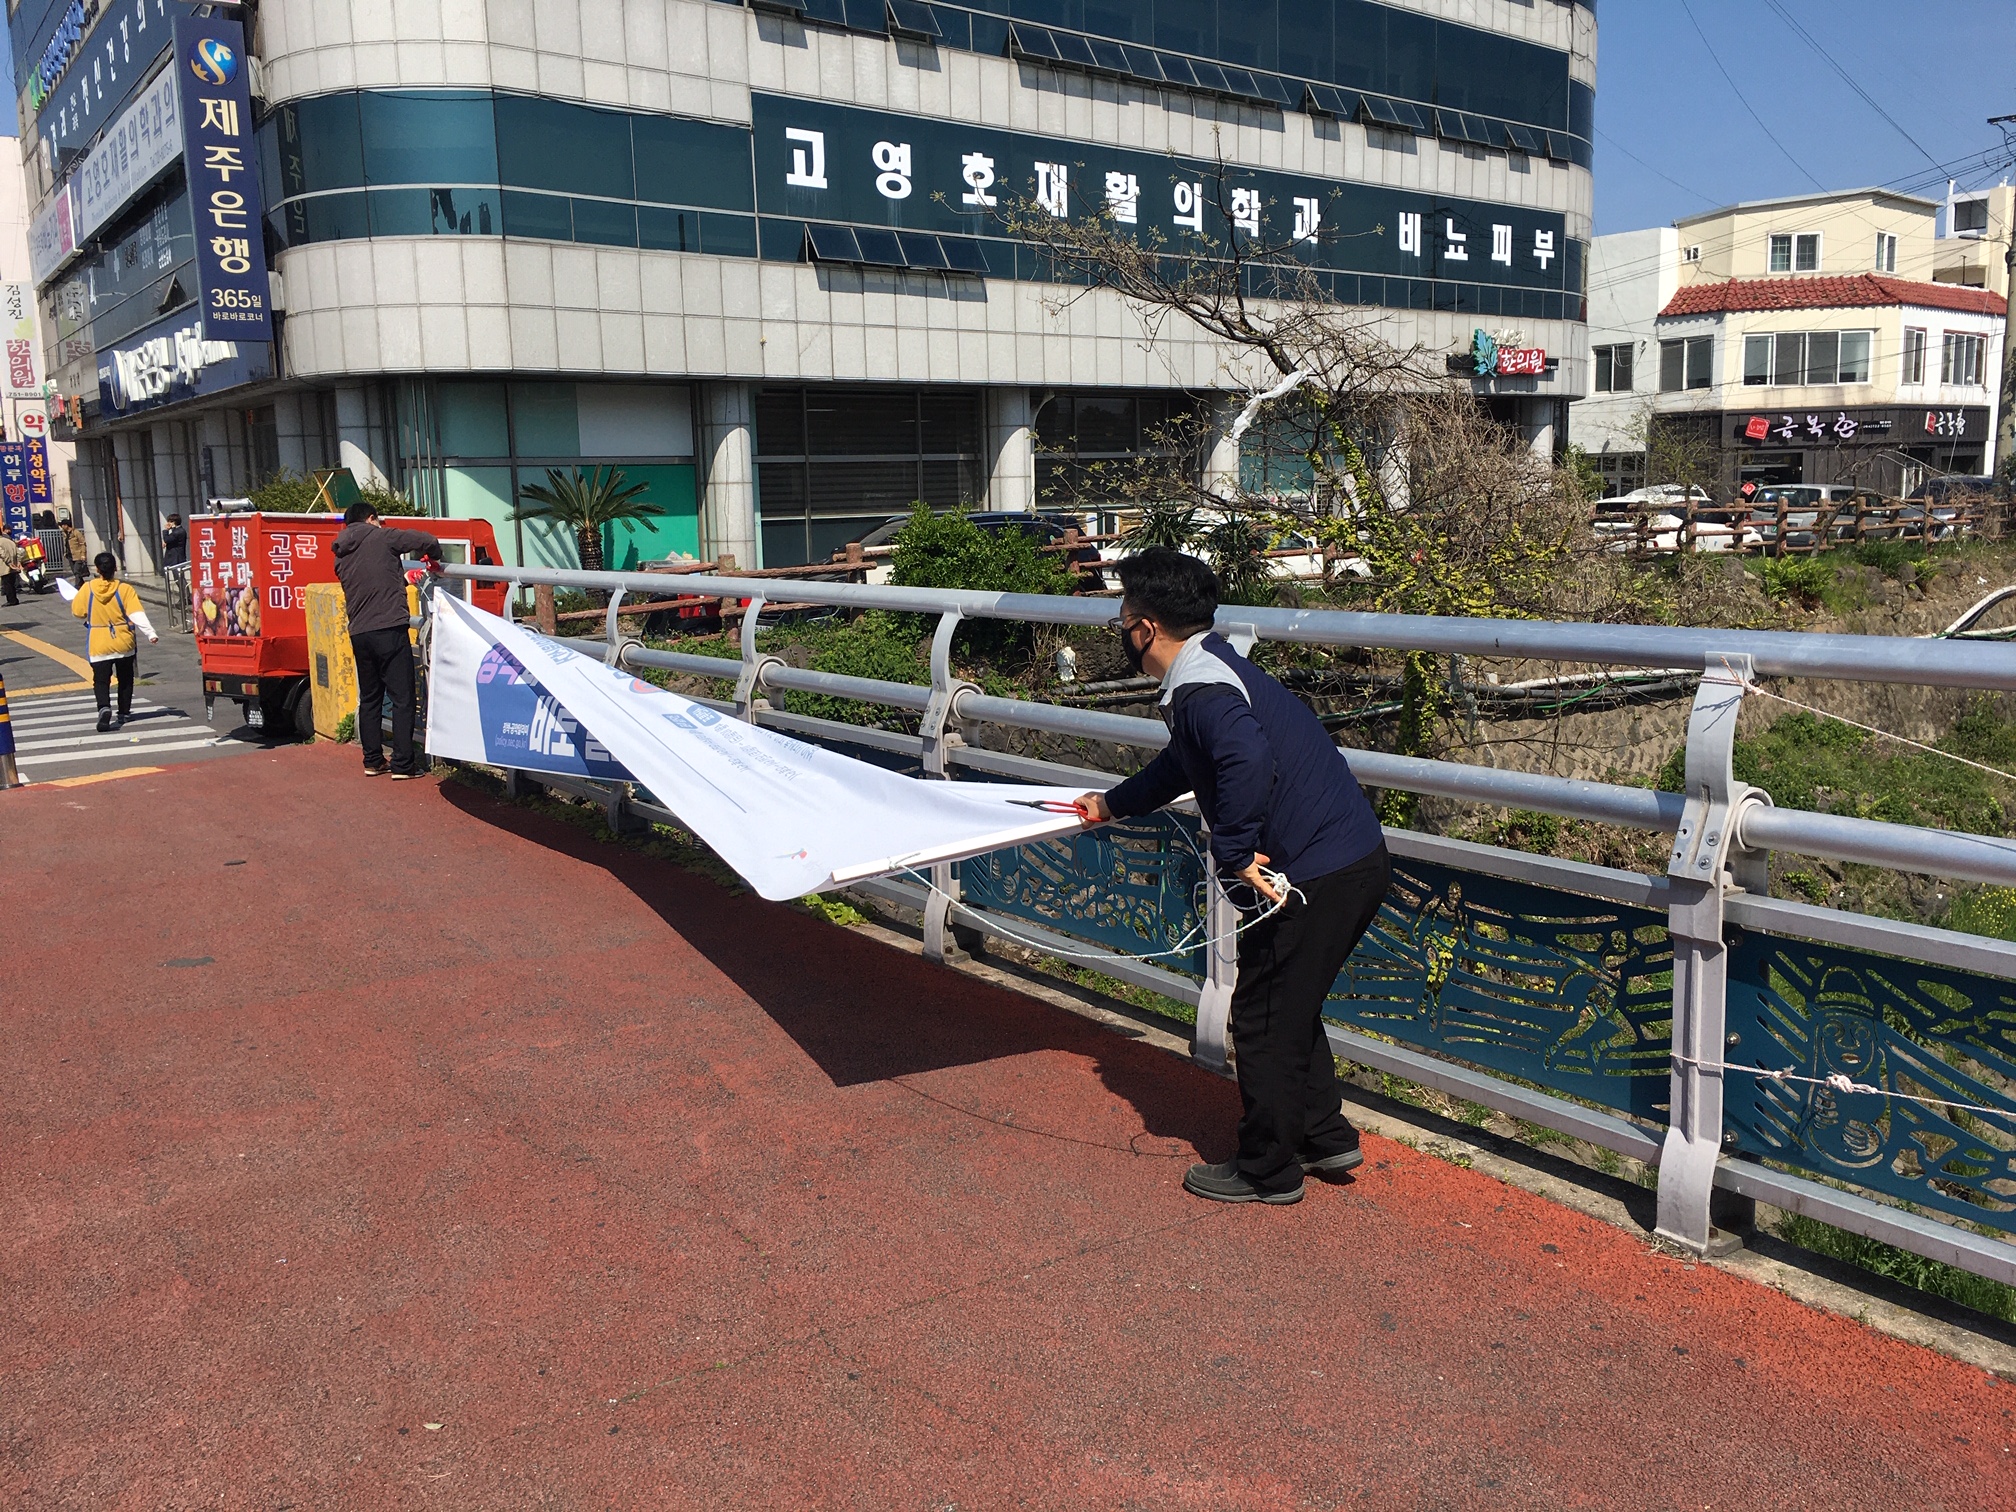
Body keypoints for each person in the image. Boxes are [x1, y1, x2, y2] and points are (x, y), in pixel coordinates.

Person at [1076, 548, 1392, 1206]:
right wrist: (1112, 803)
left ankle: (1266, 1170)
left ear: (1144, 629)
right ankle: (1322, 1134)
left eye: (1123, 619)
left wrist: (1237, 850)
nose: (1122, 632)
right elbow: (1183, 767)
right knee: (1287, 1004)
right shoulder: (1212, 667)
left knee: (1259, 1018)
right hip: (1349, 859)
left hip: (1311, 873)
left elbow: (1244, 756)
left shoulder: (1203, 690)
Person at [332, 501, 441, 778]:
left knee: (370, 698)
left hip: (360, 632)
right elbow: (426, 539)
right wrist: (434, 556)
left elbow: (372, 583)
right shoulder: (383, 536)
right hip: (389, 629)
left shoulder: (341, 553)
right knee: (403, 697)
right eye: (378, 520)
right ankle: (403, 765)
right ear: (371, 518)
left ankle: (373, 760)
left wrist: (402, 579)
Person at [73, 551, 158, 732]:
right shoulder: (124, 589)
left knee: (101, 680)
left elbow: (78, 612)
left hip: (99, 640)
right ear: (115, 569)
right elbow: (136, 614)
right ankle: (124, 712)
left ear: (97, 569)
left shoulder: (87, 589)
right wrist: (150, 633)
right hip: (122, 639)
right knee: (125, 678)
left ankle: (104, 707)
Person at [61, 517, 88, 586]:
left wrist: (83, 554)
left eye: (63, 525)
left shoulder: (76, 532)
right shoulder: (65, 534)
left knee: (77, 571)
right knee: (76, 573)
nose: (62, 527)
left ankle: (77, 586)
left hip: (78, 555)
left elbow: (83, 543)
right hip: (70, 555)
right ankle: (83, 585)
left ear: (66, 525)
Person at [0, 531, 21, 607]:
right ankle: (14, 599)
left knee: (7, 584)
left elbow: (2, 554)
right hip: (14, 565)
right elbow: (19, 552)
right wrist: (18, 562)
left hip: (5, 565)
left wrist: (9, 563)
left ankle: (11, 600)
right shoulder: (10, 541)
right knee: (12, 583)